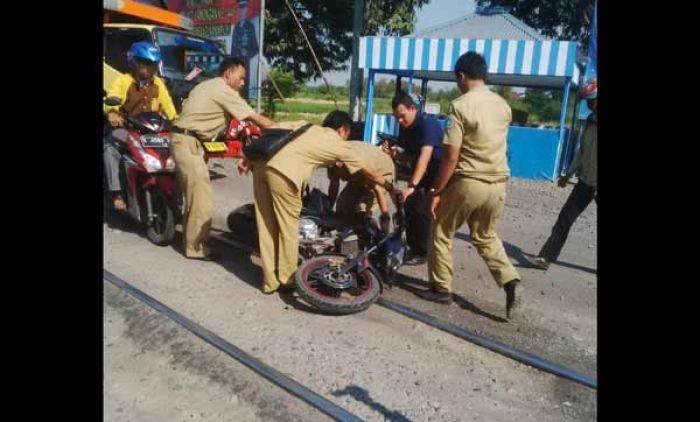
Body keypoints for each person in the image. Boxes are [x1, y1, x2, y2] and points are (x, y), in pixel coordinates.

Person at [239, 110, 397, 294]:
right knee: (288, 227)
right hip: (284, 173)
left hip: (261, 165)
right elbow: (368, 171)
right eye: (347, 133)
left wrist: (248, 156)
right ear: (343, 130)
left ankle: (269, 281)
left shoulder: (306, 125)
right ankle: (287, 278)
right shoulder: (339, 144)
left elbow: (271, 127)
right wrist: (390, 186)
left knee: (266, 224)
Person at [423, 52, 522, 320]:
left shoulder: (460, 106)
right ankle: (510, 281)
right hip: (498, 183)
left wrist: (437, 191)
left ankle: (441, 289)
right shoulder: (503, 106)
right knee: (485, 236)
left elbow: (451, 157)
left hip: (469, 182)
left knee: (441, 229)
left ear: (461, 76)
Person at [171, 56, 275, 260]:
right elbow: (254, 118)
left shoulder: (206, 85)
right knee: (201, 197)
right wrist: (282, 130)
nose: (243, 83)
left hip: (188, 140)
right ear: (228, 74)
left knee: (194, 195)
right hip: (188, 142)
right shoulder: (223, 90)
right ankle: (195, 248)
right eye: (241, 77)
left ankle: (192, 238)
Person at [104, 41, 178, 211]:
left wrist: (176, 120)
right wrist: (113, 113)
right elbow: (113, 98)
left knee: (172, 150)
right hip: (126, 127)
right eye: (146, 64)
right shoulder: (124, 80)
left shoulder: (158, 83)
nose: (150, 69)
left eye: (153, 65)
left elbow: (168, 105)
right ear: (135, 62)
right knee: (110, 148)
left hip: (151, 129)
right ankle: (117, 193)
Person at [533, 80, 597, 270]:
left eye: (592, 101)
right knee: (565, 218)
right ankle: (546, 257)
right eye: (588, 102)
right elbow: (582, 151)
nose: (590, 105)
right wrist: (568, 174)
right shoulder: (590, 122)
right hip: (586, 181)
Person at [386, 90, 444, 265]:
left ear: (413, 108)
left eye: (402, 116)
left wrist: (411, 185)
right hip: (423, 173)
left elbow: (425, 156)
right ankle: (414, 247)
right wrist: (393, 154)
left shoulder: (428, 124)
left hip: (439, 173)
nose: (400, 121)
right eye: (397, 118)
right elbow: (411, 156)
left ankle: (424, 252)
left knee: (421, 207)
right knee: (408, 205)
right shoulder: (405, 128)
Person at [327, 130, 396, 231]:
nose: (336, 165)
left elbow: (378, 189)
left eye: (338, 162)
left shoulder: (358, 162)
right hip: (360, 175)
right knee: (343, 205)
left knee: (361, 212)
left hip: (381, 171)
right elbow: (334, 184)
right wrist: (328, 211)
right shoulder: (331, 157)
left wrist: (385, 216)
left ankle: (373, 238)